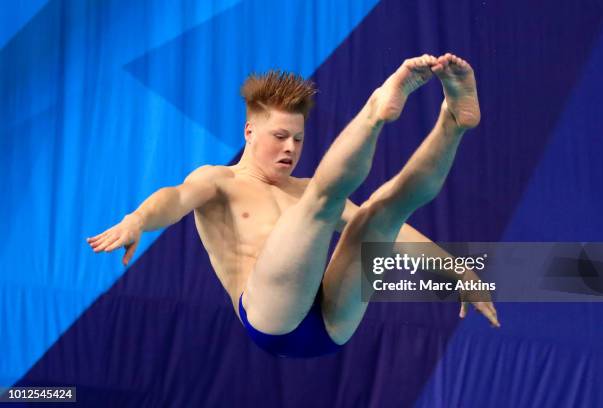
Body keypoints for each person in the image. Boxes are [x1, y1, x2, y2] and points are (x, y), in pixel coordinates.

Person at [87, 53, 499, 358]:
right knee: (322, 198)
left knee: (381, 213)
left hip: (331, 326)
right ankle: (375, 111)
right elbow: (173, 199)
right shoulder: (219, 181)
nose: (290, 148)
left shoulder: (301, 189)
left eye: (298, 139)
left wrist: (457, 270)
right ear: (249, 131)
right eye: (280, 136)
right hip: (269, 318)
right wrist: (138, 219)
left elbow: (393, 236)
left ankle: (453, 122)